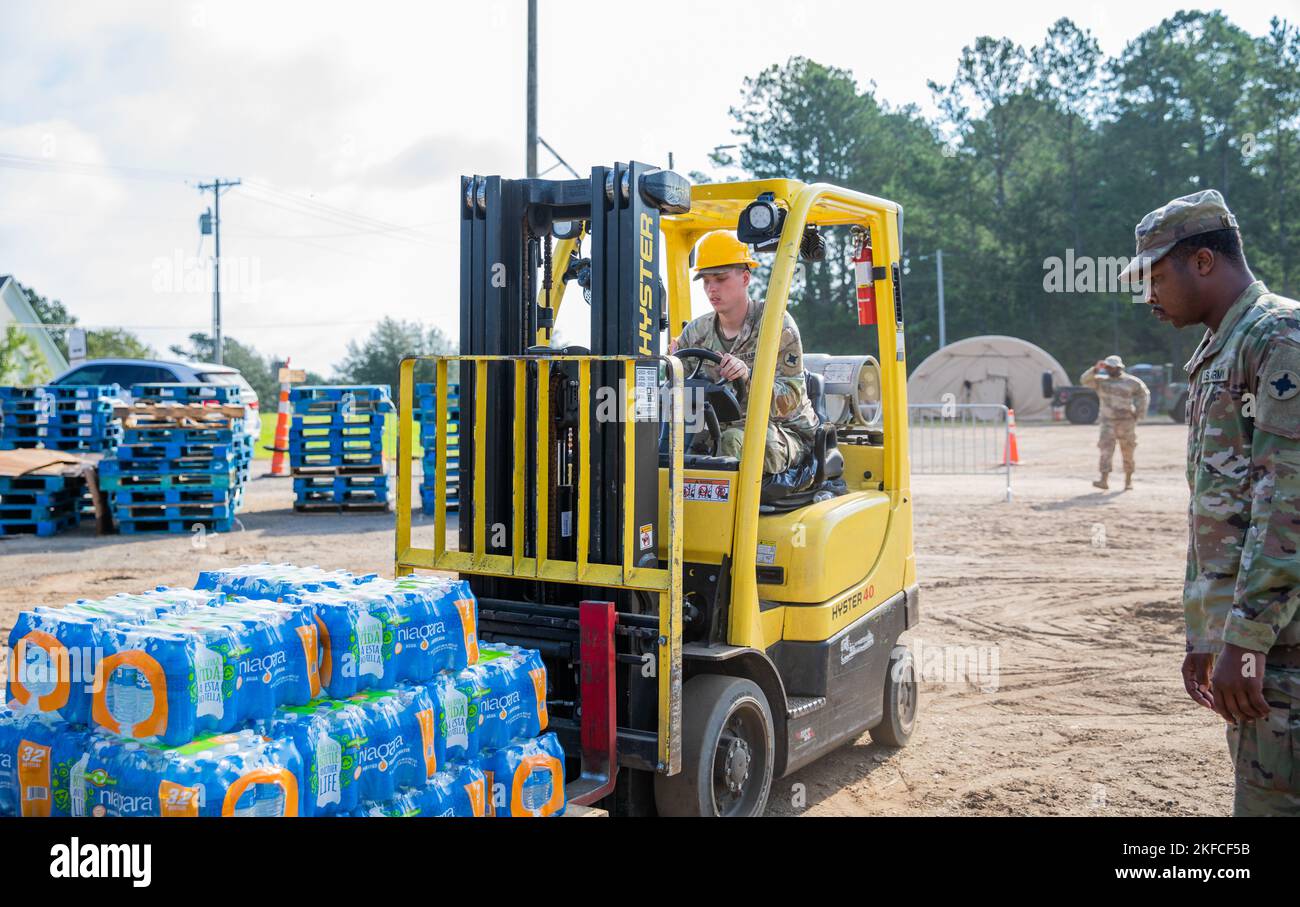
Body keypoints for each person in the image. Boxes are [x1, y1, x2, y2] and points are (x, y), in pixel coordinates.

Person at [1124, 188, 1300, 816]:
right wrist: (1208, 634)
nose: (1148, 297)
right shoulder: (1223, 347)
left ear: (1202, 261)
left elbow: (1287, 507)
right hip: (1259, 643)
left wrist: (1245, 640)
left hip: (1281, 643)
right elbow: (1221, 512)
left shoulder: (1278, 337)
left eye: (1155, 276)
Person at [667, 231, 818, 474]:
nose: (711, 289)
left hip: (782, 431)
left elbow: (790, 400)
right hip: (716, 427)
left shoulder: (776, 324)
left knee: (732, 442)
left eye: (720, 279)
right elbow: (675, 390)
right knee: (663, 445)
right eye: (706, 281)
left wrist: (747, 378)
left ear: (745, 278)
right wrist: (669, 367)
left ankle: (719, 512)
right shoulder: (697, 331)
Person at [1080, 354, 1150, 490]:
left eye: (1111, 367)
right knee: (1105, 450)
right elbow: (1084, 380)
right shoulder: (1101, 381)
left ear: (1119, 367)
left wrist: (1140, 413)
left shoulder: (1131, 382)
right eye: (1107, 367)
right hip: (1108, 422)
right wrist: (1095, 369)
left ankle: (1128, 481)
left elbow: (1144, 394)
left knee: (1128, 451)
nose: (1109, 370)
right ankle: (1103, 480)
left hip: (1126, 422)